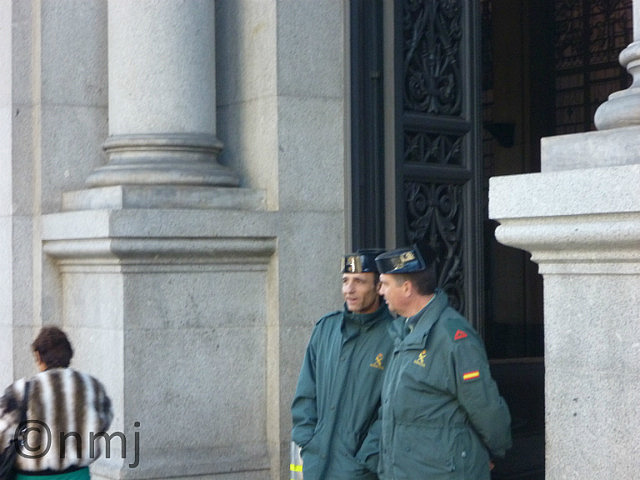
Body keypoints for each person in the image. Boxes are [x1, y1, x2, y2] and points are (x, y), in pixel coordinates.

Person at [375, 244, 512, 480]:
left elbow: (484, 406)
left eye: (385, 284)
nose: (380, 291)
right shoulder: (404, 332)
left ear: (406, 288)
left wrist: (493, 450)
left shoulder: (453, 337)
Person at [291, 249, 395, 480]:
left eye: (359, 281)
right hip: (316, 466)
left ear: (378, 287)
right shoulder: (325, 329)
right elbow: (305, 393)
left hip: (359, 471)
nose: (349, 289)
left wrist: (367, 458)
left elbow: (392, 410)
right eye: (345, 281)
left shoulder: (395, 337)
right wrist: (307, 440)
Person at [0, 326, 113, 480]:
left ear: (38, 356)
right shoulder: (92, 386)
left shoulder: (22, 390)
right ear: (68, 355)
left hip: (32, 476)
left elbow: (2, 432)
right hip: (77, 474)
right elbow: (104, 421)